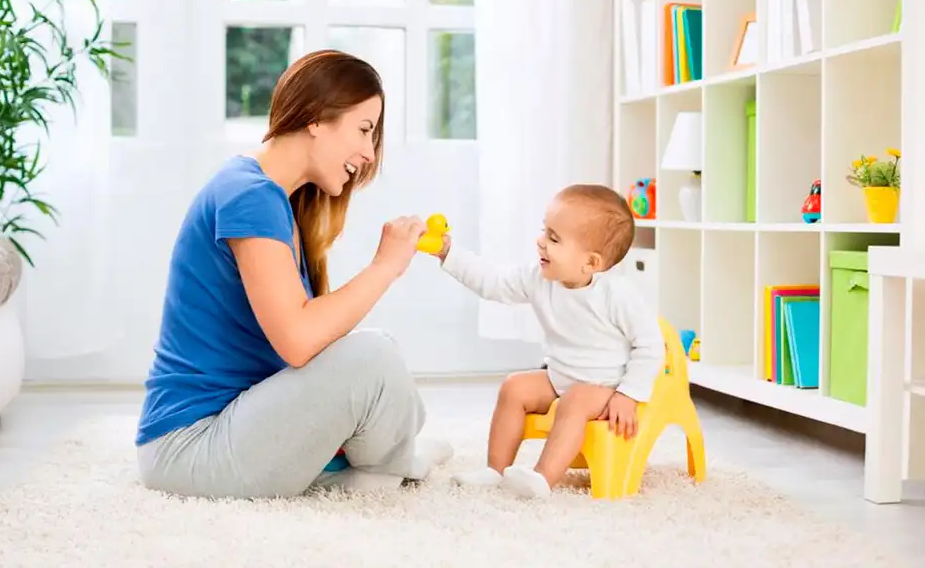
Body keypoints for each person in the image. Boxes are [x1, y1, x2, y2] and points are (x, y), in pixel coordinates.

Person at [135, 49, 453, 500]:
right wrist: (386, 266)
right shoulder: (251, 195)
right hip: (190, 450)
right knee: (375, 358)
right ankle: (389, 468)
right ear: (317, 118)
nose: (368, 152)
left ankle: (375, 465)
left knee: (378, 356)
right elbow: (299, 340)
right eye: (364, 130)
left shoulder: (268, 196)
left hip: (226, 430)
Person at [436, 184, 665, 499]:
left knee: (574, 403)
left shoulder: (617, 295)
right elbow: (493, 283)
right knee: (514, 387)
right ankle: (495, 469)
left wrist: (628, 394)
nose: (540, 242)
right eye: (545, 232)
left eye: (554, 239)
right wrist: (450, 253)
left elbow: (651, 345)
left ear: (591, 263)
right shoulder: (539, 279)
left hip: (605, 386)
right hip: (560, 377)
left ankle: (542, 479)